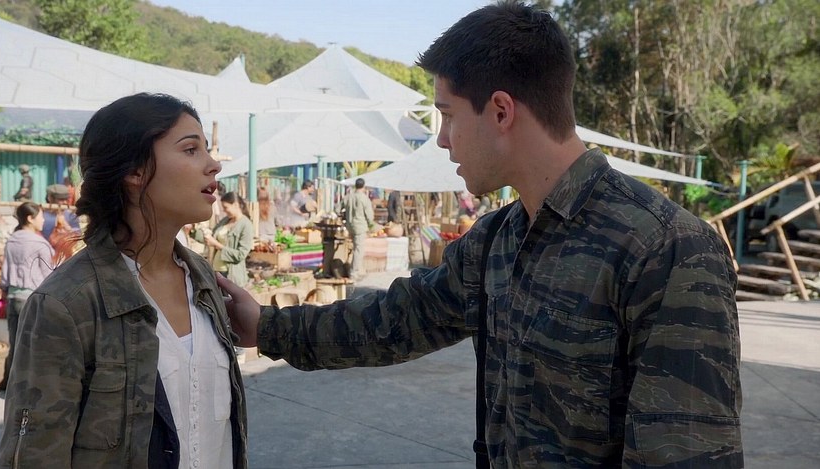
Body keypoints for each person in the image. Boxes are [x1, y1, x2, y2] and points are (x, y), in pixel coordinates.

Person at [220, 3, 742, 468]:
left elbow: (685, 453)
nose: (442, 140)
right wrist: (265, 326)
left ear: (501, 111)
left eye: (447, 116)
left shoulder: (665, 248)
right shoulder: (496, 241)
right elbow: (396, 320)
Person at [0, 93, 248, 468]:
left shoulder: (205, 283)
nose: (213, 165)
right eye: (191, 149)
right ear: (135, 171)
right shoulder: (66, 304)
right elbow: (35, 454)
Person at [0, 202, 54, 389]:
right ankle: (29, 388)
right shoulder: (39, 244)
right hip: (31, 299)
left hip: (12, 299)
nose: (43, 220)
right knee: (33, 346)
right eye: (41, 216)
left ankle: (12, 387)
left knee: (15, 344)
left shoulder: (12, 240)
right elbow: (49, 276)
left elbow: (5, 274)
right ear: (30, 218)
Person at [192, 191, 254, 287]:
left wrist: (216, 244)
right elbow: (211, 238)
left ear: (236, 205)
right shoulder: (225, 221)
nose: (224, 211)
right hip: (216, 271)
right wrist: (193, 231)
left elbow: (240, 255)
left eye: (226, 207)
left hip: (230, 275)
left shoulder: (246, 225)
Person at [341, 178, 374, 279]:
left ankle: (352, 268)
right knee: (359, 250)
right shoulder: (364, 198)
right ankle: (353, 272)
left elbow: (338, 208)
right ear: (363, 186)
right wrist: (371, 225)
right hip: (360, 227)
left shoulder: (348, 196)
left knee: (353, 248)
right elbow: (369, 215)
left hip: (349, 226)